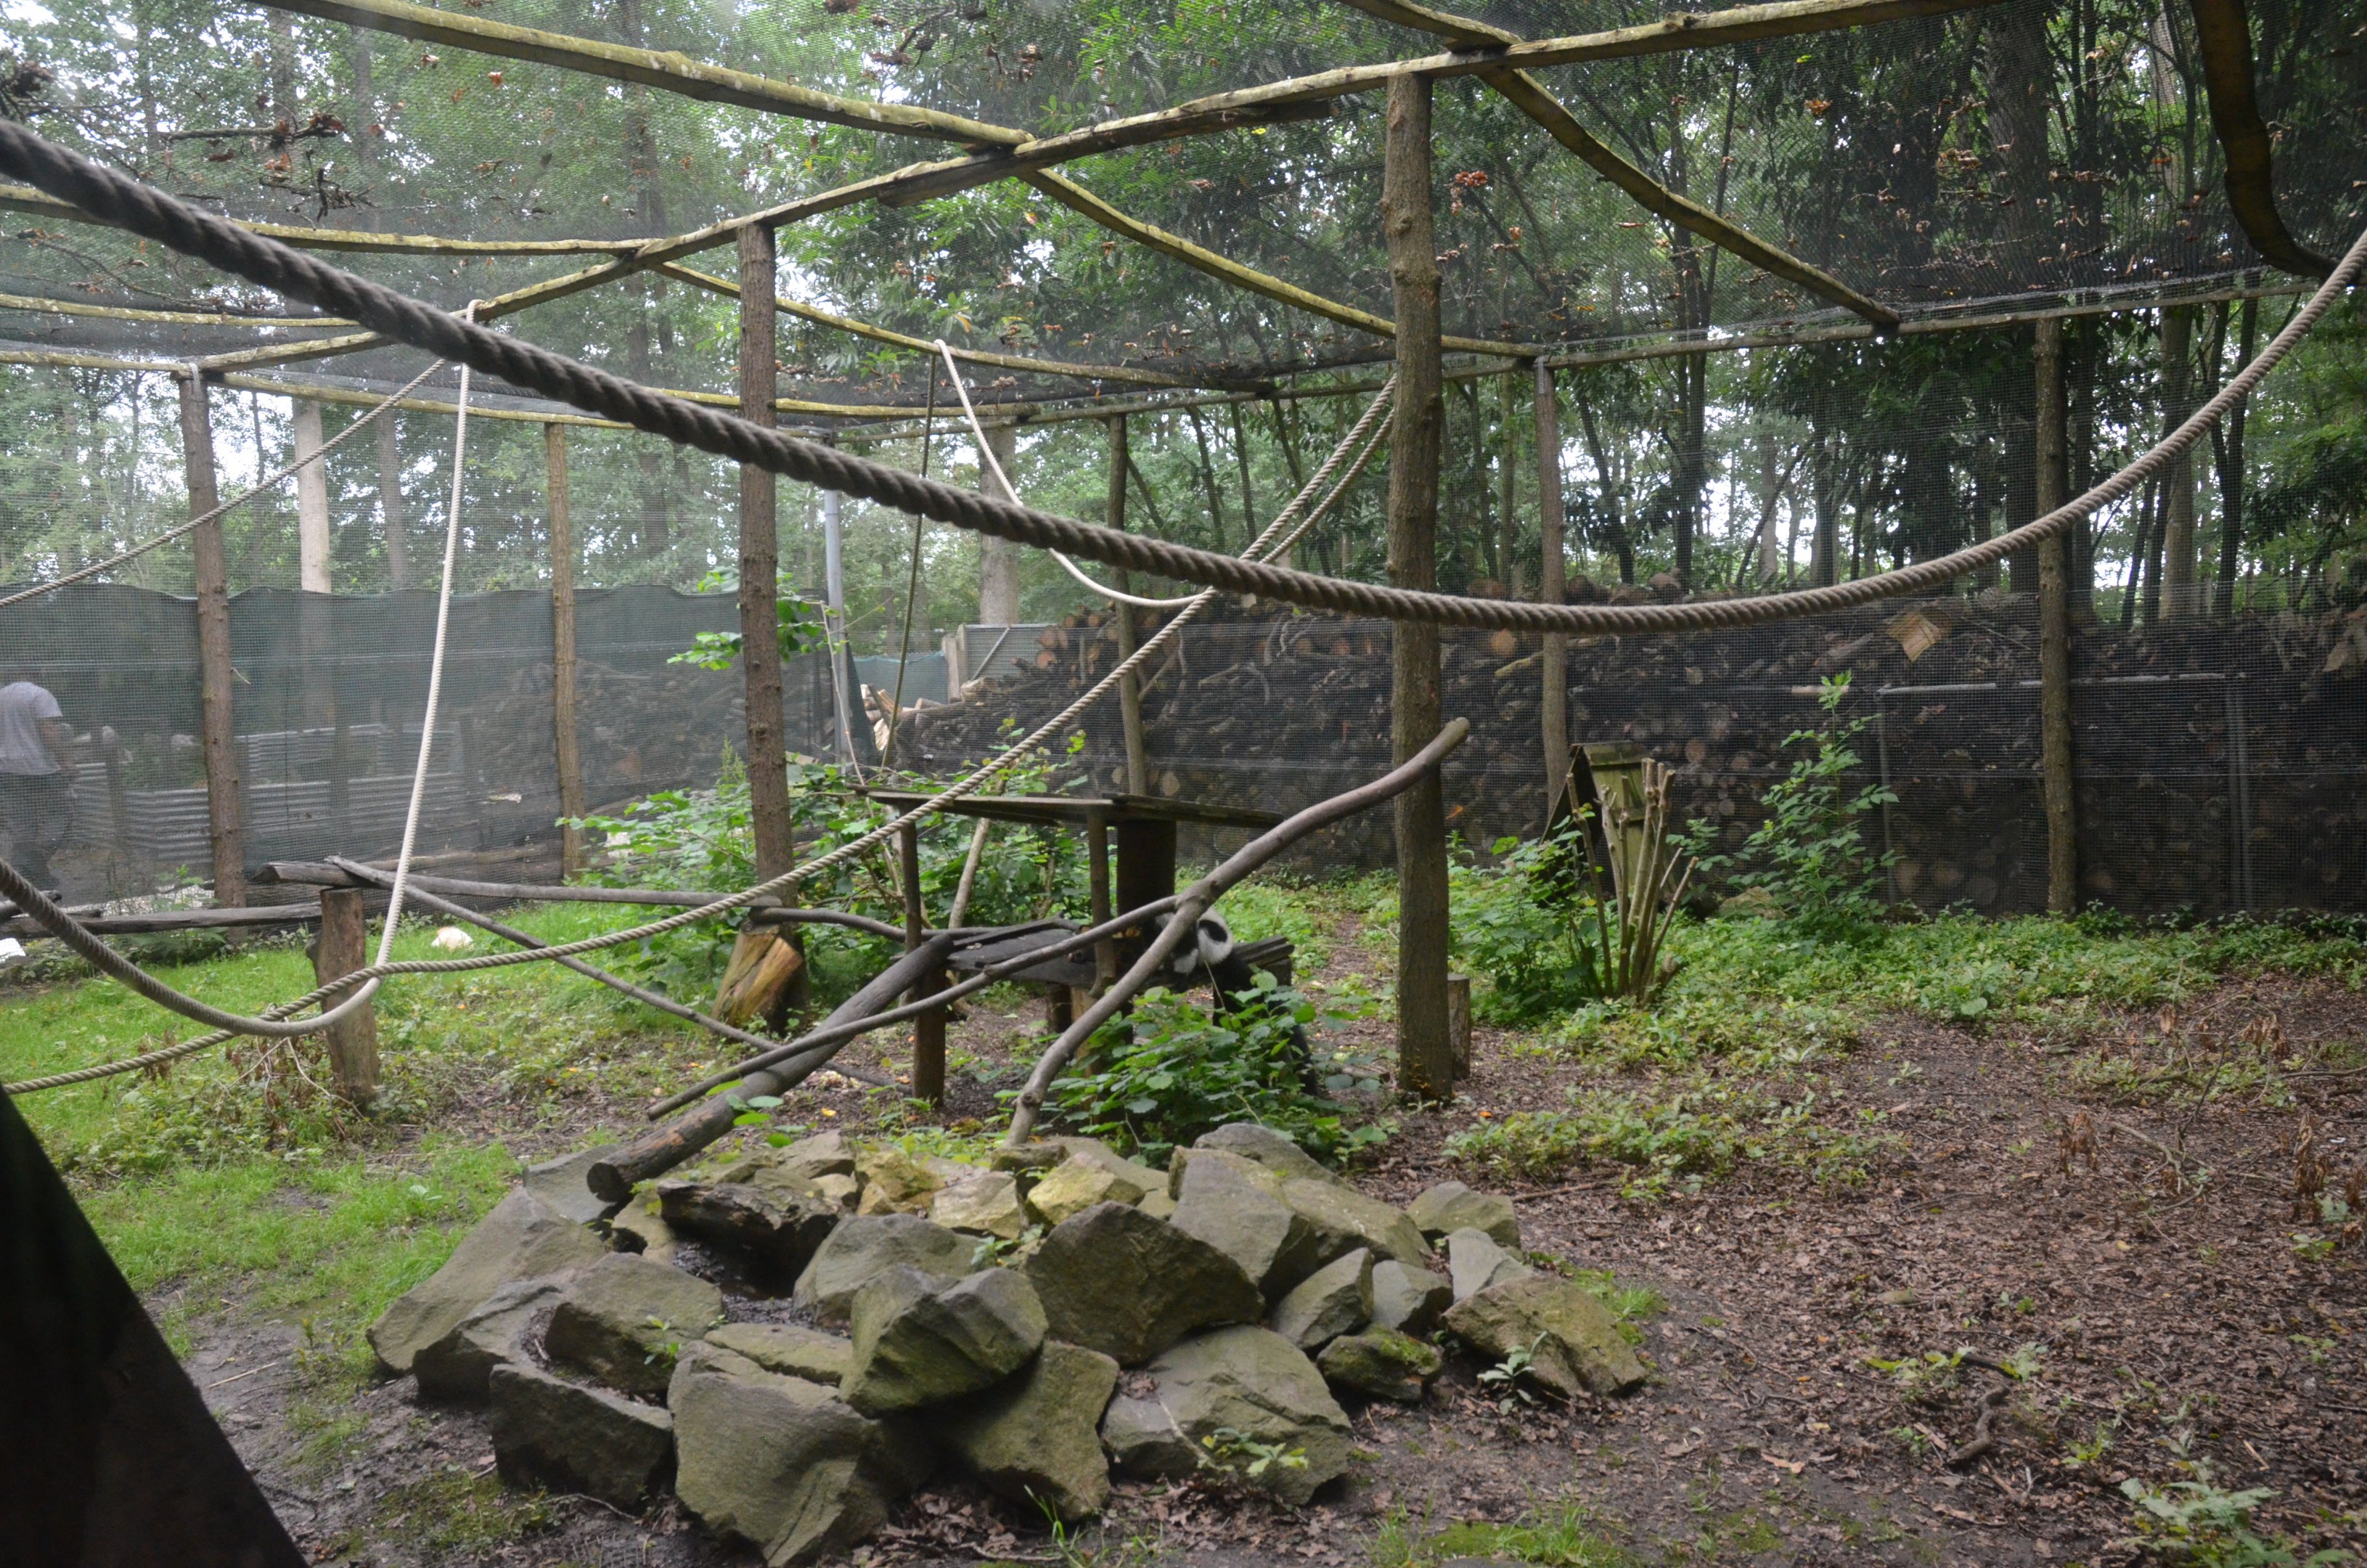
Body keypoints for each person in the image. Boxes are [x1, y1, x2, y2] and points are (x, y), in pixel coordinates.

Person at [0, 677, 74, 891]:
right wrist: (65, 760)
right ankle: (30, 862)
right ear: (34, 675)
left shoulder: (1, 696)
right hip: (38, 769)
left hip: (6, 769)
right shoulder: (39, 694)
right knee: (62, 813)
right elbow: (48, 729)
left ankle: (30, 877)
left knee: (22, 823)